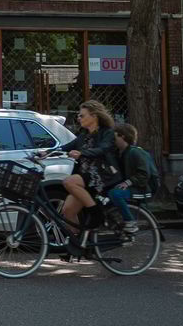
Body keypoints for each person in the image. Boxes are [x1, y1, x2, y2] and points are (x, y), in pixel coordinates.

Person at [57, 100, 122, 251]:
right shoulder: (83, 135)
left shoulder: (107, 133)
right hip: (85, 176)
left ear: (94, 116)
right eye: (78, 115)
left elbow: (103, 149)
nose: (78, 118)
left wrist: (82, 153)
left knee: (69, 182)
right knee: (67, 211)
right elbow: (66, 147)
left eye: (82, 115)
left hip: (101, 176)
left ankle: (96, 213)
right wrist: (45, 152)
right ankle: (78, 243)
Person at [109, 123, 158, 233]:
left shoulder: (135, 152)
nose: (112, 140)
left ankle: (130, 222)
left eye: (114, 136)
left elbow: (144, 174)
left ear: (122, 136)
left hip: (142, 188)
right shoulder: (119, 153)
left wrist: (127, 183)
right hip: (132, 187)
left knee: (115, 194)